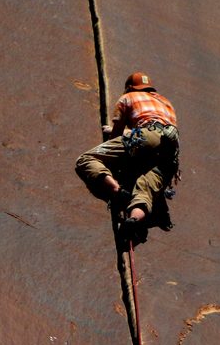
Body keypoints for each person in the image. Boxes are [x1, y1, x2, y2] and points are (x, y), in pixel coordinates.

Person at [75, 72, 180, 245]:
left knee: (86, 160)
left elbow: (117, 133)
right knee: (145, 185)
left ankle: (117, 192)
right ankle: (134, 220)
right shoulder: (165, 102)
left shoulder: (129, 97)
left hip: (147, 137)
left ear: (130, 87)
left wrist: (114, 135)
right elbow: (154, 129)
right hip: (170, 149)